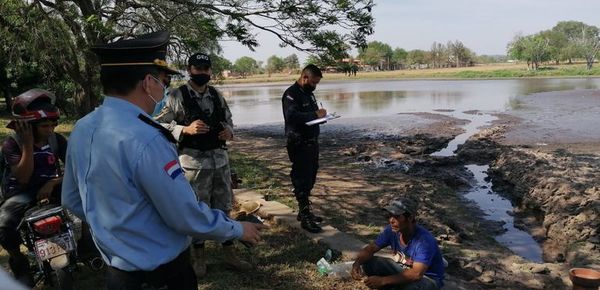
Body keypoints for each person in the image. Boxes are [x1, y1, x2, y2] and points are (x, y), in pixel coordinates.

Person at [61, 31, 265, 290]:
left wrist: (116, 231)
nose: (164, 87)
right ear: (148, 82)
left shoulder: (83, 128)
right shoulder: (146, 138)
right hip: (161, 276)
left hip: (117, 274)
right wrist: (237, 229)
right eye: (162, 80)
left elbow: (72, 198)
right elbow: (183, 215)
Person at [154, 52, 249, 277]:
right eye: (197, 68)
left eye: (206, 68)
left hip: (220, 161)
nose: (202, 72)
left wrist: (229, 132)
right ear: (190, 70)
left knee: (224, 207)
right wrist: (184, 130)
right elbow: (159, 125)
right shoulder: (177, 95)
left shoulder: (216, 94)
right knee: (197, 210)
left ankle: (229, 253)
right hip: (193, 164)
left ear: (210, 71)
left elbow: (229, 119)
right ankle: (198, 257)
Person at [0, 88, 67, 287]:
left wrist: (52, 182)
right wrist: (28, 145)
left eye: (53, 125)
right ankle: (18, 259)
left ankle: (86, 243)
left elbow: (76, 168)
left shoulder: (56, 140)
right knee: (3, 224)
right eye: (44, 126)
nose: (50, 130)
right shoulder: (12, 145)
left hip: (50, 186)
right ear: (27, 126)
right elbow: (22, 177)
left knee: (88, 197)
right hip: (22, 193)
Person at [351, 198, 445, 290]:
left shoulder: (424, 240)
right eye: (390, 215)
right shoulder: (391, 230)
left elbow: (416, 274)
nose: (391, 220)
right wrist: (356, 263)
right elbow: (371, 249)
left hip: (427, 279)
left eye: (396, 216)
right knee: (369, 263)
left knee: (412, 288)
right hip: (405, 271)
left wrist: (383, 280)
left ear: (410, 218)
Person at [281, 64, 327, 233]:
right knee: (301, 178)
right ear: (304, 77)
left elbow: (313, 114)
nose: (315, 86)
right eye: (313, 82)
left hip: (312, 141)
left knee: (311, 176)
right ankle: (305, 215)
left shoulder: (309, 94)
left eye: (317, 83)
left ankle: (304, 210)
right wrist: (315, 115)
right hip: (299, 142)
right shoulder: (291, 94)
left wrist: (322, 116)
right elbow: (292, 116)